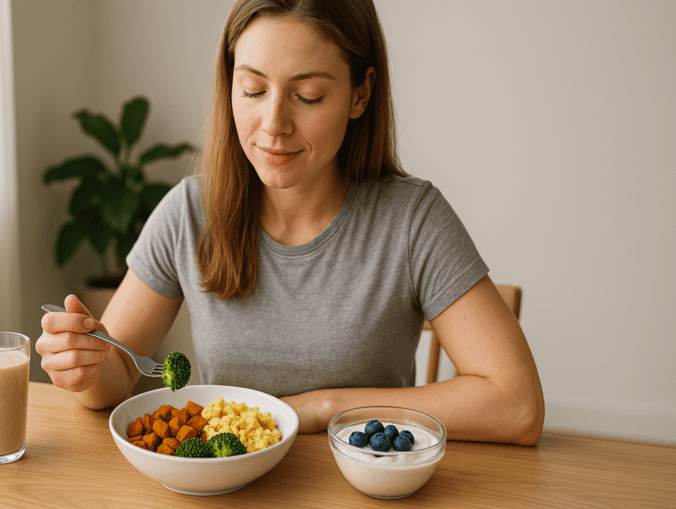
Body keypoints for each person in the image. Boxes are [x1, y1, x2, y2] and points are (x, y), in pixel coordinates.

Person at [37, 0, 544, 445]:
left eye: (308, 97)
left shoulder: (412, 219)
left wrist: (323, 409)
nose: (273, 125)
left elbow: (517, 406)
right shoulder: (189, 212)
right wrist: (86, 366)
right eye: (253, 90)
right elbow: (120, 371)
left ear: (360, 95)